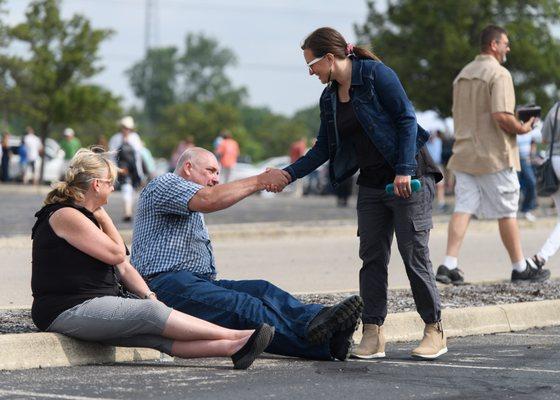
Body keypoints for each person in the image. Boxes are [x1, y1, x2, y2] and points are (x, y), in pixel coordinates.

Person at [283, 27, 446, 360]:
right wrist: (286, 174)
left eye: (311, 65)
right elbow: (323, 149)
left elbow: (405, 120)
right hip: (372, 183)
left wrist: (403, 169)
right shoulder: (329, 98)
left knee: (413, 254)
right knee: (371, 257)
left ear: (330, 58)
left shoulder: (375, 75)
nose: (310, 72)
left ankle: (434, 329)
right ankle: (373, 333)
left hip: (409, 175)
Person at [31, 148, 274, 370]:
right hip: (67, 308)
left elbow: (124, 265)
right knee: (151, 315)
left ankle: (234, 349)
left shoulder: (86, 217)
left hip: (94, 303)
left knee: (156, 336)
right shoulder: (65, 215)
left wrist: (149, 295)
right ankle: (236, 336)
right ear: (96, 185)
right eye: (110, 182)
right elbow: (117, 252)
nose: (113, 188)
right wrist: (105, 218)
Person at [130, 147, 363, 362]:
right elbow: (211, 200)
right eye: (210, 171)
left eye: (218, 173)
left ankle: (321, 323)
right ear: (188, 167)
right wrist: (261, 180)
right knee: (243, 307)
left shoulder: (189, 197)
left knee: (262, 290)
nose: (216, 178)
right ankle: (325, 339)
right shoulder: (164, 183)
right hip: (162, 285)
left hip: (193, 282)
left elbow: (211, 198)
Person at [435, 25, 550, 285]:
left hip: (464, 153)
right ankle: (520, 267)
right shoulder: (499, 74)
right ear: (493, 45)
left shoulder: (462, 75)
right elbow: (500, 115)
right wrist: (522, 128)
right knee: (507, 211)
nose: (508, 48)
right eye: (505, 43)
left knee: (463, 207)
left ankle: (448, 264)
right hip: (494, 155)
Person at [529, 102, 560, 270]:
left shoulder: (555, 108)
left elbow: (545, 137)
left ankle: (540, 258)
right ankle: (540, 257)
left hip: (553, 162)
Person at [109, 116, 145, 222]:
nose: (126, 130)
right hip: (122, 168)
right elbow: (112, 156)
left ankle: (129, 210)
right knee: (126, 188)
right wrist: (115, 170)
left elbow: (138, 156)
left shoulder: (135, 138)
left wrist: (140, 173)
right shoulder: (115, 138)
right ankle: (127, 211)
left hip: (133, 168)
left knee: (132, 190)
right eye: (124, 127)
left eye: (128, 128)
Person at [517, 127, 541, 222]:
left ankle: (526, 209)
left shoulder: (530, 130)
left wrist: (532, 156)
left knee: (532, 183)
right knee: (515, 186)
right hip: (516, 161)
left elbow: (533, 143)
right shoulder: (514, 127)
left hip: (526, 160)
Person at [426, 130, 448, 213]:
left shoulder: (439, 141)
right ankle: (429, 204)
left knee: (441, 185)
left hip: (438, 165)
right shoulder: (425, 143)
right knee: (430, 186)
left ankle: (441, 203)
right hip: (429, 166)